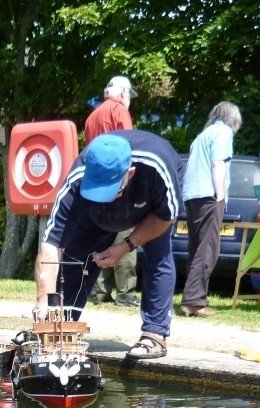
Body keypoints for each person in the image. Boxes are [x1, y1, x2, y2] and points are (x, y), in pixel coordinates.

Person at [33, 130, 183, 359]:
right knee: (71, 256)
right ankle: (59, 327)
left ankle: (154, 335)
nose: (104, 198)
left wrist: (126, 246)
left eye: (110, 191)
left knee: (159, 255)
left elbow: (165, 217)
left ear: (129, 173)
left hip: (151, 210)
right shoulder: (78, 177)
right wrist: (44, 297)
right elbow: (51, 246)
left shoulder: (157, 166)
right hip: (94, 217)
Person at [180, 101, 243, 317]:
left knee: (197, 248)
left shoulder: (203, 135)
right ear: (233, 119)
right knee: (208, 248)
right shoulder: (223, 133)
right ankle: (194, 301)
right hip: (209, 195)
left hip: (192, 196)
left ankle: (193, 298)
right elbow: (218, 165)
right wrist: (221, 195)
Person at [85, 76, 140, 308]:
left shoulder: (92, 116)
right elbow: (129, 147)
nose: (130, 101)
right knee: (125, 235)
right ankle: (126, 293)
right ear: (123, 93)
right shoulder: (119, 111)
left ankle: (99, 291)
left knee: (100, 233)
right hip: (120, 180)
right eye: (129, 95)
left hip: (98, 184)